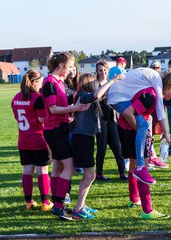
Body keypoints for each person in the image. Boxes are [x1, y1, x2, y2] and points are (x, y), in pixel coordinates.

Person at [116, 69, 171, 219]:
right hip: (131, 129)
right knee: (143, 168)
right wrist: (143, 132)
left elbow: (158, 113)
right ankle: (147, 210)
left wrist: (164, 132)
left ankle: (134, 199)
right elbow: (128, 112)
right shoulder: (151, 95)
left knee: (134, 165)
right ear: (169, 86)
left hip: (125, 128)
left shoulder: (154, 94)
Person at [41, 52, 89, 221]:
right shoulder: (50, 83)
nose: (70, 70)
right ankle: (59, 206)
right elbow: (53, 109)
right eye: (69, 66)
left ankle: (57, 204)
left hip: (59, 127)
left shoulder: (59, 82)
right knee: (70, 167)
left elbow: (58, 109)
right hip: (54, 130)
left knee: (60, 168)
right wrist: (74, 108)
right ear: (60, 65)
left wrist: (69, 113)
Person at [71, 73, 124, 220]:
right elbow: (97, 94)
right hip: (81, 139)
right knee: (90, 175)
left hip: (85, 138)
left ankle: (81, 205)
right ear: (89, 84)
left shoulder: (85, 96)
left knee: (89, 175)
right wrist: (112, 80)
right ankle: (78, 209)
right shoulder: (83, 95)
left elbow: (102, 96)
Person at [107, 68, 171, 185]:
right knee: (143, 125)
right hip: (117, 98)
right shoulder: (156, 83)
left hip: (117, 96)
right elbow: (160, 108)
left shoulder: (151, 80)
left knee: (143, 127)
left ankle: (139, 171)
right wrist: (164, 132)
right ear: (169, 85)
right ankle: (141, 167)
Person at [11, 70, 53, 212]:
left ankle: (29, 202)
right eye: (40, 82)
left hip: (23, 140)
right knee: (43, 171)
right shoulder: (37, 98)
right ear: (34, 82)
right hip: (39, 140)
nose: (41, 85)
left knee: (27, 171)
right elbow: (42, 120)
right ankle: (46, 202)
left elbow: (18, 118)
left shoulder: (15, 98)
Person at [95, 60, 127, 181]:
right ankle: (99, 174)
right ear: (97, 72)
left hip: (112, 119)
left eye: (104, 70)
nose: (103, 72)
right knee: (101, 148)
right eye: (100, 70)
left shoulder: (113, 84)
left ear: (108, 70)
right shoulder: (95, 85)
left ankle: (122, 173)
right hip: (101, 119)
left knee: (117, 147)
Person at [63, 63, 82, 204]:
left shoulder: (80, 85)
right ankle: (66, 193)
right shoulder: (63, 86)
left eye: (74, 69)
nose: (72, 72)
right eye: (70, 69)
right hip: (67, 125)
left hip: (80, 125)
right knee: (66, 163)